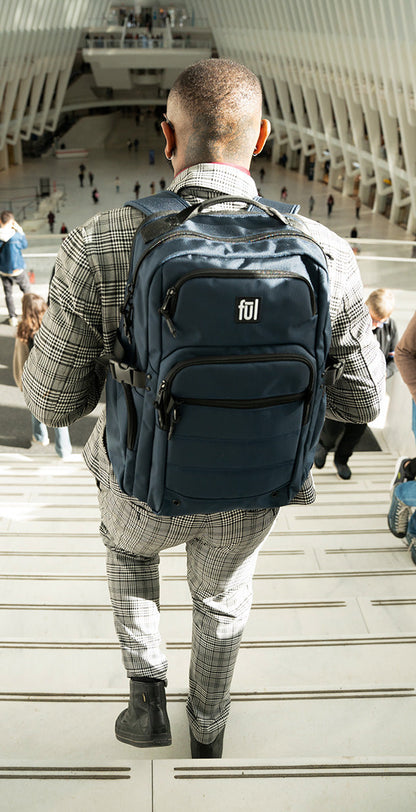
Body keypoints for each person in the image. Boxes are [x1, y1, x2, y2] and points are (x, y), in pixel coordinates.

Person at [22, 58, 385, 759]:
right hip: (257, 487)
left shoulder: (102, 240)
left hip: (142, 487)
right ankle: (209, 726)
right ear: (263, 137)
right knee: (221, 598)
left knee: (128, 553)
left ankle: (146, 703)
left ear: (166, 138)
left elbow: (51, 400)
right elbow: (363, 398)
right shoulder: (324, 250)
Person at [314, 288, 397, 479]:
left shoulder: (390, 327)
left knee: (355, 432)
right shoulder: (348, 323)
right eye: (373, 319)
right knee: (332, 424)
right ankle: (323, 447)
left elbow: (395, 358)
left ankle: (342, 460)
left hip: (368, 396)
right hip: (341, 390)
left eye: (380, 321)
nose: (375, 325)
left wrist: (385, 372)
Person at [13, 293, 72, 458]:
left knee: (36, 409)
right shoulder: (54, 327)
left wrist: (22, 383)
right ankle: (63, 449)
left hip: (35, 381)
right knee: (59, 414)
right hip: (55, 379)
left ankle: (41, 437)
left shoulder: (23, 331)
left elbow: (21, 360)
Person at [0, 210, 30, 326]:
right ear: (12, 222)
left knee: (8, 294)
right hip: (18, 269)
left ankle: (12, 317)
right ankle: (28, 314)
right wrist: (20, 231)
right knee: (26, 291)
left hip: (3, 270)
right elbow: (24, 245)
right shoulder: (16, 235)